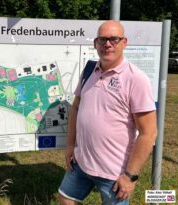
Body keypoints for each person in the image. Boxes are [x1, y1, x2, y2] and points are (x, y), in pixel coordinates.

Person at [58, 20, 157, 205]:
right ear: (96, 43)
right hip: (81, 163)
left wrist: (130, 176)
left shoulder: (136, 79)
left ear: (124, 42)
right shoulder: (89, 70)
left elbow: (148, 133)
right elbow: (76, 108)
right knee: (66, 199)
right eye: (102, 39)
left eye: (114, 39)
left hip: (114, 172)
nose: (107, 44)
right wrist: (70, 145)